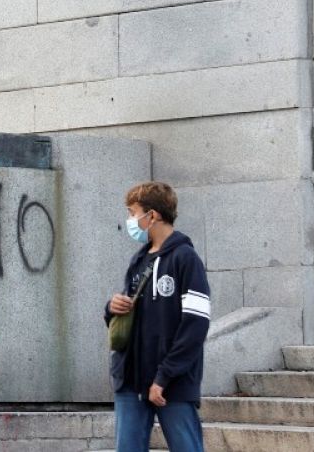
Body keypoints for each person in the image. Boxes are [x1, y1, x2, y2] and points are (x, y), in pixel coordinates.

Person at [106, 182, 211, 452]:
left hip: (171, 383)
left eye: (133, 213)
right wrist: (112, 308)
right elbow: (129, 321)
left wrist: (164, 377)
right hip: (131, 380)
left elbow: (195, 326)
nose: (130, 220)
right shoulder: (139, 260)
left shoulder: (186, 259)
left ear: (152, 216)